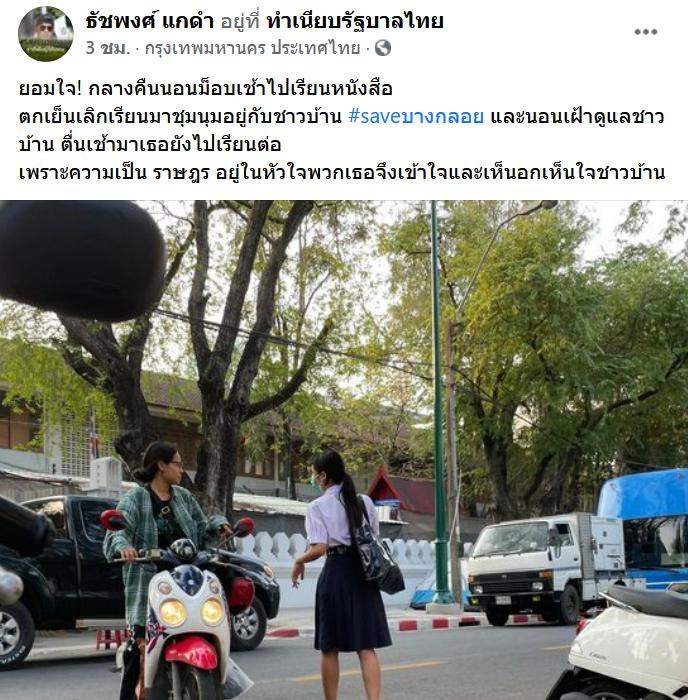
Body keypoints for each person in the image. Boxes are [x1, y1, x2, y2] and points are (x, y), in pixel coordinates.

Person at [103, 441, 232, 700]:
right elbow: (117, 531)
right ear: (161, 465)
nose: (182, 470)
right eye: (178, 464)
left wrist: (219, 525)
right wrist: (124, 546)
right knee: (140, 651)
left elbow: (203, 526)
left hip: (186, 581)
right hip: (149, 583)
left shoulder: (183, 497)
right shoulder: (136, 498)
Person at [291, 448, 391, 700]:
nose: (313, 479)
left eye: (314, 474)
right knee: (366, 647)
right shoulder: (364, 502)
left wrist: (299, 560)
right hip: (364, 574)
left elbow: (319, 548)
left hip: (336, 574)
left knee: (329, 647)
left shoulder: (317, 507)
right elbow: (373, 538)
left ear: (323, 476)